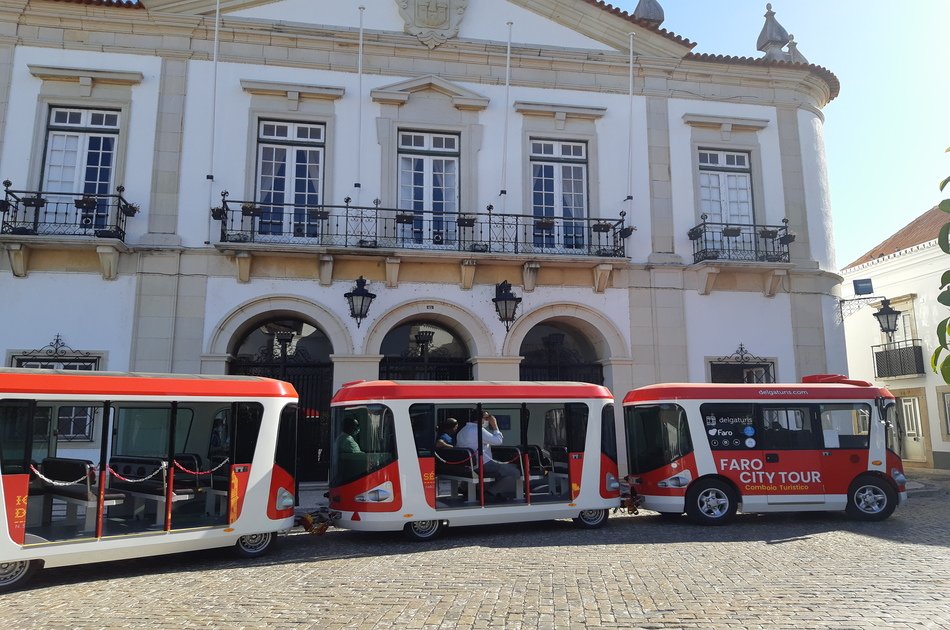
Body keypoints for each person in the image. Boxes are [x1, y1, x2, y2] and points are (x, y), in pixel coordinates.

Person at [455, 410, 520, 501]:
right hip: (482, 464)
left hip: (469, 465)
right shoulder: (478, 429)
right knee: (515, 472)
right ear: (480, 418)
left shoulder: (463, 430)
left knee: (503, 470)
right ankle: (491, 493)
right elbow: (498, 441)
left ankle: (466, 488)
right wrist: (494, 425)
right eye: (487, 418)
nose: (488, 420)